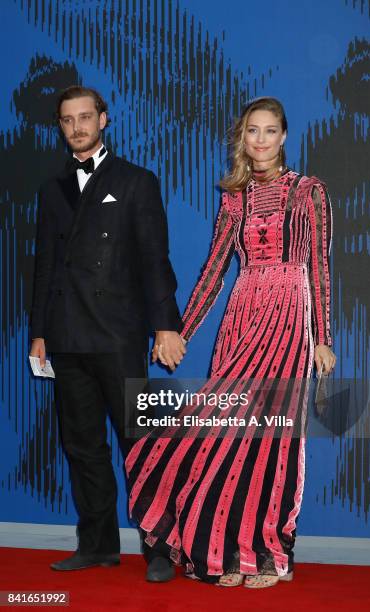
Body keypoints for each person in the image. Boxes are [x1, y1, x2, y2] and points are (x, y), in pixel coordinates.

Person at [125, 97, 336, 587]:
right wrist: (179, 331)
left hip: (291, 318)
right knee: (222, 431)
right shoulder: (232, 199)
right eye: (251, 132)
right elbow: (213, 273)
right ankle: (219, 547)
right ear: (242, 139)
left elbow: (321, 264)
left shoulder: (309, 191)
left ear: (284, 137)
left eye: (269, 131)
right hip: (242, 317)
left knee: (273, 438)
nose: (260, 140)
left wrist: (323, 338)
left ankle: (267, 552)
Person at [29, 85, 186, 576]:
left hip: (118, 334)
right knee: (81, 446)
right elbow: (47, 267)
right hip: (67, 335)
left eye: (85, 117)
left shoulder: (137, 181)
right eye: (67, 120)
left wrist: (165, 326)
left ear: (104, 119)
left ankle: (159, 549)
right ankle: (96, 544)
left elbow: (153, 259)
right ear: (60, 126)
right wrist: (39, 332)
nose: (77, 127)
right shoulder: (52, 189)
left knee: (140, 442)